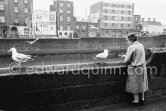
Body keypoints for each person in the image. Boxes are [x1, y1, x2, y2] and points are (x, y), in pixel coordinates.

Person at [123, 34, 148, 105]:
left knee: (134, 84)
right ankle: (142, 99)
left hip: (134, 68)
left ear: (131, 40)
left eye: (127, 40)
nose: (127, 42)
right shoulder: (141, 45)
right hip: (142, 67)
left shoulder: (131, 47)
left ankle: (136, 101)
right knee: (142, 83)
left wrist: (126, 57)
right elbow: (139, 55)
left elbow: (126, 60)